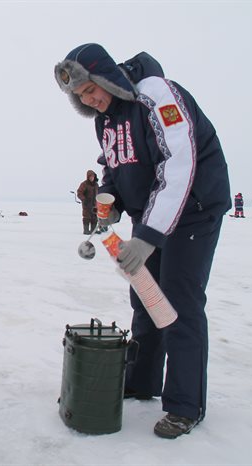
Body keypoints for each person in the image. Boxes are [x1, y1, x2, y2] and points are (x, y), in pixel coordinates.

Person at [54, 44, 231, 439]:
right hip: (151, 215)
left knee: (179, 303)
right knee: (146, 297)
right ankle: (142, 380)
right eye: (81, 96)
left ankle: (185, 406)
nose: (90, 99)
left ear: (106, 76)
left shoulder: (156, 93)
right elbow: (117, 167)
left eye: (91, 89)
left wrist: (148, 238)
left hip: (194, 210)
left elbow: (179, 163)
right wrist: (111, 203)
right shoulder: (105, 121)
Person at [76, 170, 99, 234]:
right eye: (90, 177)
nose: (92, 178)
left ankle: (93, 230)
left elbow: (99, 193)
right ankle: (86, 230)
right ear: (88, 177)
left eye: (93, 176)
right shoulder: (84, 184)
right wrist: (84, 199)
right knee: (86, 217)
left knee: (94, 217)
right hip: (86, 203)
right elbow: (79, 193)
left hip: (95, 204)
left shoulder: (96, 185)